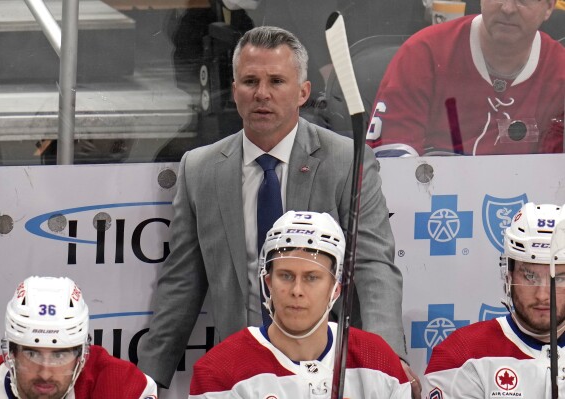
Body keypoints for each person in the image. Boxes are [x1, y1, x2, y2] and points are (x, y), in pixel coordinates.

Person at [138, 25, 412, 393]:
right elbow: (182, 283)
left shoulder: (346, 161)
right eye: (250, 81)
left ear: (303, 92)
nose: (262, 94)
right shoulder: (199, 169)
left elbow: (373, 267)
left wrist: (389, 364)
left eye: (277, 81)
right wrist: (148, 382)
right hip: (241, 376)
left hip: (330, 371)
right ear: (234, 91)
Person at [189, 211, 411, 398]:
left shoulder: (378, 359)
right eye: (285, 276)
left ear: (336, 287)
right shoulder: (219, 372)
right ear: (268, 281)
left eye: (311, 277)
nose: (296, 290)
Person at [366, 0, 565, 156]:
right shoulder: (424, 53)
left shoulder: (560, 71)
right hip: (434, 204)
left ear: (548, 6)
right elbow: (389, 159)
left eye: (523, 0)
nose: (508, 8)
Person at [422, 202, 565, 397]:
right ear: (508, 276)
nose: (542, 295)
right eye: (530, 277)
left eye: (558, 279)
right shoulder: (461, 354)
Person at [0, 276, 157, 399]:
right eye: (32, 354)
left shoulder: (117, 385)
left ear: (81, 356)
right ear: (12, 354)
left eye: (59, 355)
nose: (45, 373)